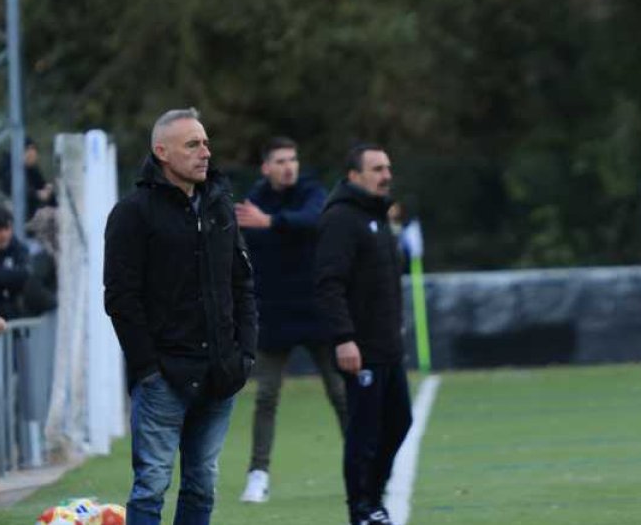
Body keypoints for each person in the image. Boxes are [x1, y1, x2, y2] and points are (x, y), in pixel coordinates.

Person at [104, 107, 257, 525]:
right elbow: (120, 298)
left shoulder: (220, 206)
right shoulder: (133, 213)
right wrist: (148, 368)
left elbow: (241, 284)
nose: (205, 151)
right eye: (193, 144)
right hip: (163, 378)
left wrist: (244, 355)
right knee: (151, 485)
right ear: (162, 152)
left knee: (202, 483)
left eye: (206, 142)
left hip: (220, 372)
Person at [234, 137, 347, 503]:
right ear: (266, 167)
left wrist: (272, 223)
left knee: (341, 394)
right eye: (280, 160)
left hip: (316, 313)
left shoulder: (312, 192)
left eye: (293, 159)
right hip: (274, 316)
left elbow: (315, 219)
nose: (289, 166)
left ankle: (363, 465)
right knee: (266, 396)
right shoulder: (253, 202)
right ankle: (257, 475)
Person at [315, 144, 412, 525]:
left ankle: (373, 496)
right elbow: (328, 284)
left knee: (399, 421)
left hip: (388, 346)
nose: (386, 174)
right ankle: (361, 507)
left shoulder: (380, 217)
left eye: (388, 167)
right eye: (376, 168)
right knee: (365, 430)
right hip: (360, 348)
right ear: (354, 176)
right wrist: (343, 337)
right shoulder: (341, 219)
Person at [0, 137, 56, 219]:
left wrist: (48, 191)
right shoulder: (9, 169)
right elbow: (20, 191)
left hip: (29, 215)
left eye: (33, 150)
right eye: (29, 150)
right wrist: (38, 194)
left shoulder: (31, 170)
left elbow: (42, 186)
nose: (33, 155)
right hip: (13, 217)